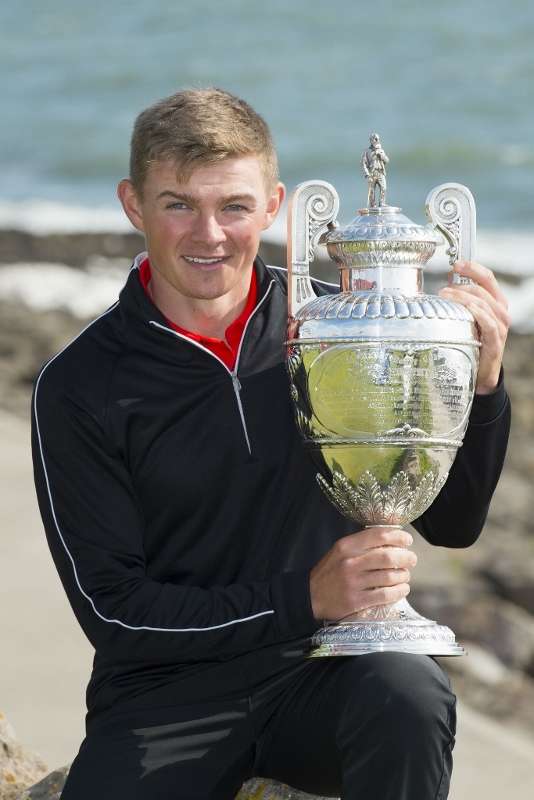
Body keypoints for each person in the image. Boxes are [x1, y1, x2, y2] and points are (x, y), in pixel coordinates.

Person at [31, 88, 511, 800]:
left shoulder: (340, 329)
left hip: (328, 672)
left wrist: (483, 386)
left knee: (409, 693)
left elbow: (453, 522)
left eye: (233, 206)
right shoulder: (80, 384)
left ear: (274, 205)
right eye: (177, 204)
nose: (209, 235)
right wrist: (304, 597)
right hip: (166, 699)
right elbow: (113, 612)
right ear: (133, 204)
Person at [361, 132, 389, 207]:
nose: (377, 140)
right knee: (372, 190)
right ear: (371, 140)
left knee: (384, 188)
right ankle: (373, 204)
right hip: (372, 173)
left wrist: (381, 155)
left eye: (378, 139)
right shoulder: (367, 151)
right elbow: (363, 164)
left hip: (380, 172)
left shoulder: (381, 150)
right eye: (375, 139)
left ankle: (382, 203)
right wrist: (367, 174)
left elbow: (386, 160)